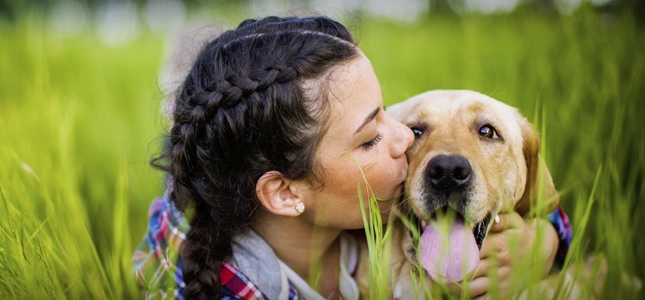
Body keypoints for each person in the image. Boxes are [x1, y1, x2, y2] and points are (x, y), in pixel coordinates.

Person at [133, 16, 572, 299]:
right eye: (371, 138)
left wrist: (547, 241)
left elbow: (538, 199)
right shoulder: (228, 283)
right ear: (285, 192)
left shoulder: (366, 206)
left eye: (387, 114)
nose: (412, 144)